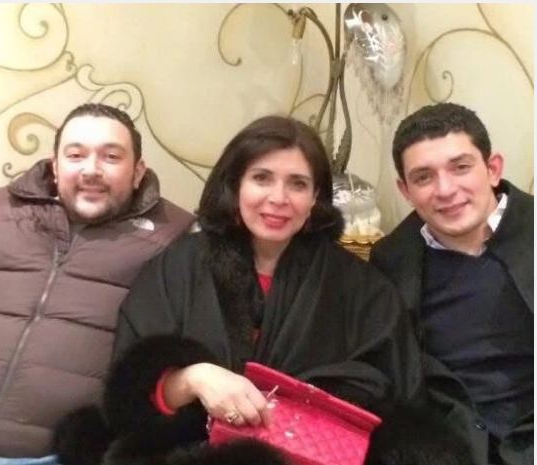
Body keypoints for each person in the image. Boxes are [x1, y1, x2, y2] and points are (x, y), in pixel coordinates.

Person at [54, 115, 472, 465]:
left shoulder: (364, 289)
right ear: (235, 185)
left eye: (297, 184)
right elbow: (129, 401)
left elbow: (399, 405)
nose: (278, 198)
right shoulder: (179, 267)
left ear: (316, 198)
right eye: (261, 178)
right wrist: (196, 378)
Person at [0, 103, 195, 461]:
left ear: (138, 171)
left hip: (61, 457)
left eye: (111, 156)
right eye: (76, 155)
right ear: (55, 165)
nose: (91, 170)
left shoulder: (176, 239)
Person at [370, 102, 534, 465]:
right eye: (423, 177)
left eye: (460, 167)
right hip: (451, 445)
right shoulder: (391, 261)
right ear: (405, 190)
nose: (445, 190)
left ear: (493, 169)